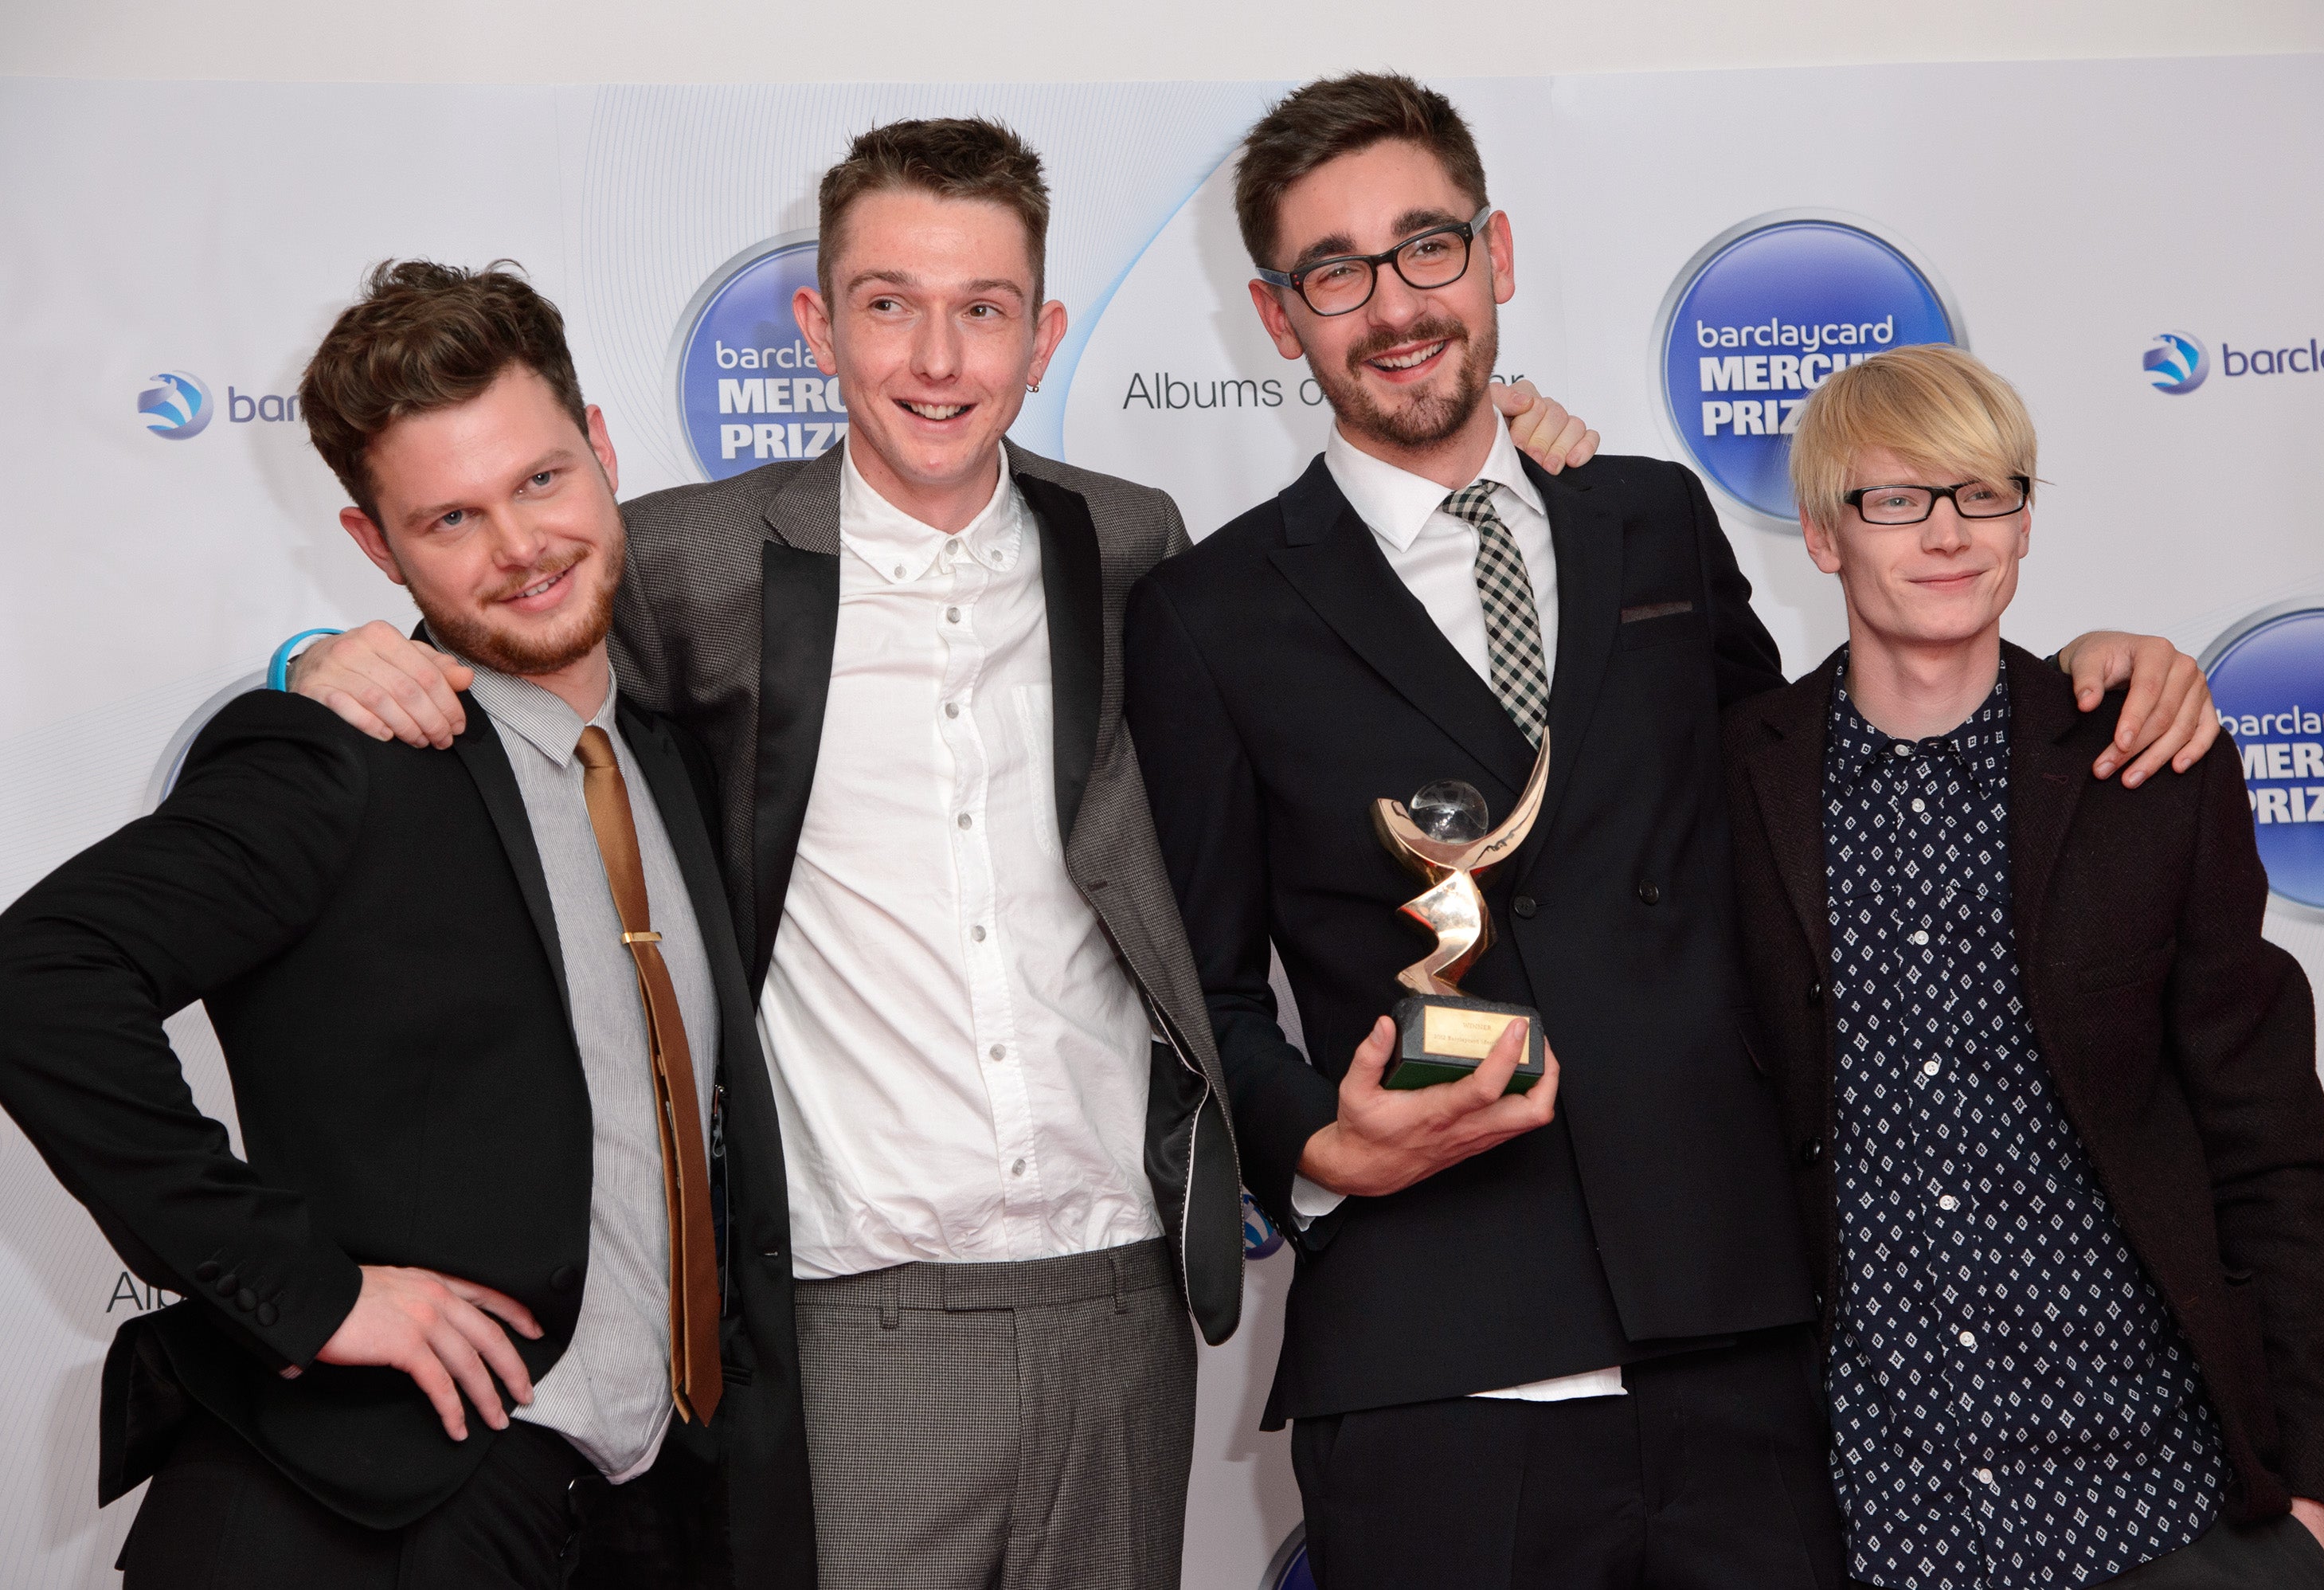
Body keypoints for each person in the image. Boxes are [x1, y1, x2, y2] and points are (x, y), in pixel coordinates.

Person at [280, 117, 1599, 1590]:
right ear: (818, 324)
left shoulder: (1135, 541)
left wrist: (1523, 453)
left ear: (1041, 339)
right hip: (854, 1312)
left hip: (1124, 1295)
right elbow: (518, 624)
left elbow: (1337, 604)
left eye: (983, 312)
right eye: (889, 304)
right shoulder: (691, 561)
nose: (936, 359)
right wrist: (356, 660)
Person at [1122, 72, 2224, 1589]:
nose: (1393, 305)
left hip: (1745, 1340)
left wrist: (2080, 679)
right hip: (1441, 1365)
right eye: (1336, 272)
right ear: (1278, 315)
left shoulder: (1648, 515)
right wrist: (1317, 1140)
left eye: (1428, 247)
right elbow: (1201, 990)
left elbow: (1809, 787)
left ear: (1498, 253)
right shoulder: (1207, 614)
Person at [0, 262, 807, 1588]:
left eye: (542, 481)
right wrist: (309, 1291)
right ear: (377, 547)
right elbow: (42, 975)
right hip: (354, 1515)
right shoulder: (335, 759)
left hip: (629, 1509)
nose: (520, 548)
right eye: (451, 519)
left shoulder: (677, 755)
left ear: (603, 448)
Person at [1720, 342, 2324, 1588]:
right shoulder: (1737, 782)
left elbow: (2271, 1142)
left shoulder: (2144, 770)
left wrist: (2320, 1501)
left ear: (2023, 523)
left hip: (2169, 1509)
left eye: (1986, 493)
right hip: (1874, 1522)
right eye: (1897, 499)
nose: (1949, 534)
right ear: (1823, 537)